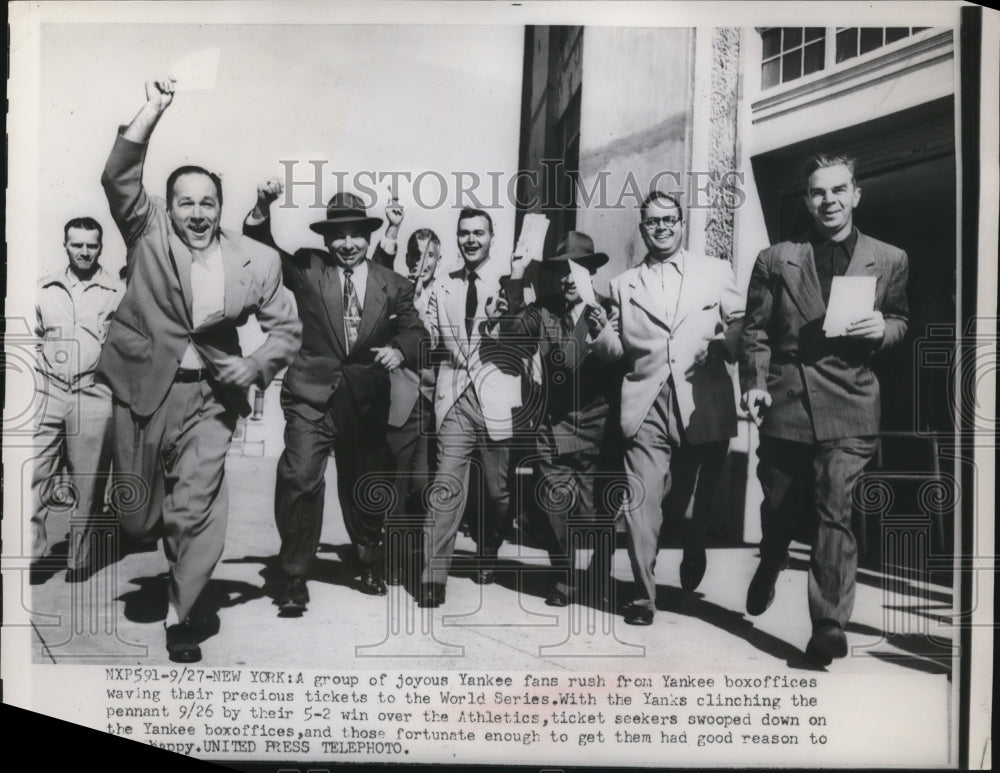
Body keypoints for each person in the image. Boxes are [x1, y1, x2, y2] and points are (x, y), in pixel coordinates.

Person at [98, 76, 302, 663]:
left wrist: (255, 365)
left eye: (207, 202)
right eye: (185, 202)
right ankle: (155, 540)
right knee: (137, 518)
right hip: (144, 390)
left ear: (220, 206)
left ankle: (181, 616)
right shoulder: (147, 231)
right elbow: (118, 177)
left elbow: (287, 329)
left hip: (211, 398)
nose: (197, 212)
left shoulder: (255, 260)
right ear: (168, 207)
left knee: (195, 508)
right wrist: (153, 108)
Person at [739, 154, 908, 665]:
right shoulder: (776, 259)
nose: (828, 200)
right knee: (779, 507)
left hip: (851, 400)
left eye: (838, 190)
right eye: (818, 192)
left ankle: (828, 624)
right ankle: (772, 557)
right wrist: (755, 384)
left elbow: (900, 319)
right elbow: (754, 331)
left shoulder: (890, 258)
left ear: (856, 194)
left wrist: (883, 330)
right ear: (807, 201)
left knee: (836, 510)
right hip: (788, 399)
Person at [245, 179, 427, 612]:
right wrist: (262, 206)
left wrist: (400, 350)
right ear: (326, 240)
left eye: (356, 235)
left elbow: (418, 332)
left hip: (366, 402)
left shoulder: (394, 284)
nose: (348, 244)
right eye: (338, 236)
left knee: (364, 484)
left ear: (368, 237)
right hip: (311, 396)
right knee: (300, 477)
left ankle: (366, 558)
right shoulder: (309, 268)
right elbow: (262, 246)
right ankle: (294, 576)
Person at [604, 191, 744, 626]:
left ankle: (695, 542)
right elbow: (615, 350)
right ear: (642, 228)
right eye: (653, 222)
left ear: (682, 224)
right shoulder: (623, 285)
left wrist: (725, 345)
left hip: (702, 398)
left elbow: (742, 322)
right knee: (642, 500)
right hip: (646, 399)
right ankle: (643, 596)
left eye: (669, 220)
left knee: (693, 501)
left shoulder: (715, 270)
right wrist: (597, 334)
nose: (661, 227)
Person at [498, 232, 623, 607]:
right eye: (562, 271)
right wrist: (517, 276)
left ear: (591, 273)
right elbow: (512, 333)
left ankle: (600, 565)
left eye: (577, 270)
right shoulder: (543, 311)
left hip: (598, 424)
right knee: (553, 505)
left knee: (597, 509)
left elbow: (619, 359)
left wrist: (603, 328)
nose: (569, 279)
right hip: (551, 425)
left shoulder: (608, 310)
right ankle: (566, 576)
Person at [417, 208, 523, 608]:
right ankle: (433, 576)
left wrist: (502, 322)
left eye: (479, 233)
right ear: (458, 238)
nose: (471, 240)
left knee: (497, 492)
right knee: (446, 484)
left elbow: (525, 336)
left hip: (496, 394)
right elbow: (428, 336)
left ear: (492, 237)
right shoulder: (442, 286)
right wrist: (415, 304)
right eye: (464, 233)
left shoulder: (512, 280)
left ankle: (488, 548)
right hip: (454, 396)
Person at [31, 217, 125, 582]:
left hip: (94, 392)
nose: (84, 251)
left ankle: (79, 560)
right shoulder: (44, 289)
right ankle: (32, 554)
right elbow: (32, 337)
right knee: (34, 473)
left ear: (100, 247)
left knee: (89, 482)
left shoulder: (116, 291)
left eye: (91, 245)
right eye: (77, 244)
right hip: (49, 390)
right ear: (65, 245)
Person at [381, 227, 443, 586]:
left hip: (436, 400)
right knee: (397, 482)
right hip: (402, 396)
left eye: (430, 255)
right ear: (407, 258)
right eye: (417, 255)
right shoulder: (394, 290)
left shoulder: (446, 293)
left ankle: (418, 557)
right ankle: (393, 558)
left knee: (423, 485)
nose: (423, 262)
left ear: (438, 260)